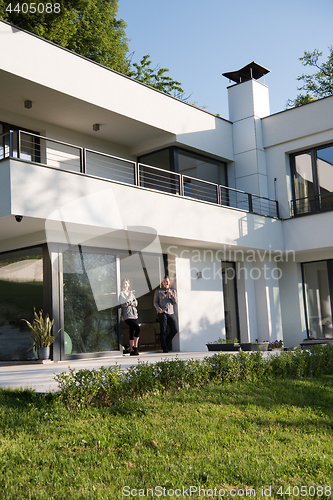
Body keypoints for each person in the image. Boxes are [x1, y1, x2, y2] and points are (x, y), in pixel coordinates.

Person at [154, 276, 178, 353]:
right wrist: (159, 310)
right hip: (162, 313)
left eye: (167, 281)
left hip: (170, 312)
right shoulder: (158, 291)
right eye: (164, 281)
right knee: (163, 330)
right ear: (162, 283)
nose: (166, 283)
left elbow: (175, 302)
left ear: (169, 282)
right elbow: (155, 302)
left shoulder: (173, 291)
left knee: (175, 330)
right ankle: (164, 348)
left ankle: (166, 342)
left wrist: (171, 295)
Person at [119, 278, 140, 356]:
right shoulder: (122, 294)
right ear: (122, 285)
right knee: (138, 328)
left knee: (131, 332)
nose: (125, 285)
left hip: (134, 314)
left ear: (129, 284)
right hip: (127, 315)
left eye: (126, 283)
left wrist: (130, 302)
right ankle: (135, 347)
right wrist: (128, 298)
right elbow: (123, 304)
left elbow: (136, 303)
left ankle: (131, 350)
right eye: (124, 283)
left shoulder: (132, 293)